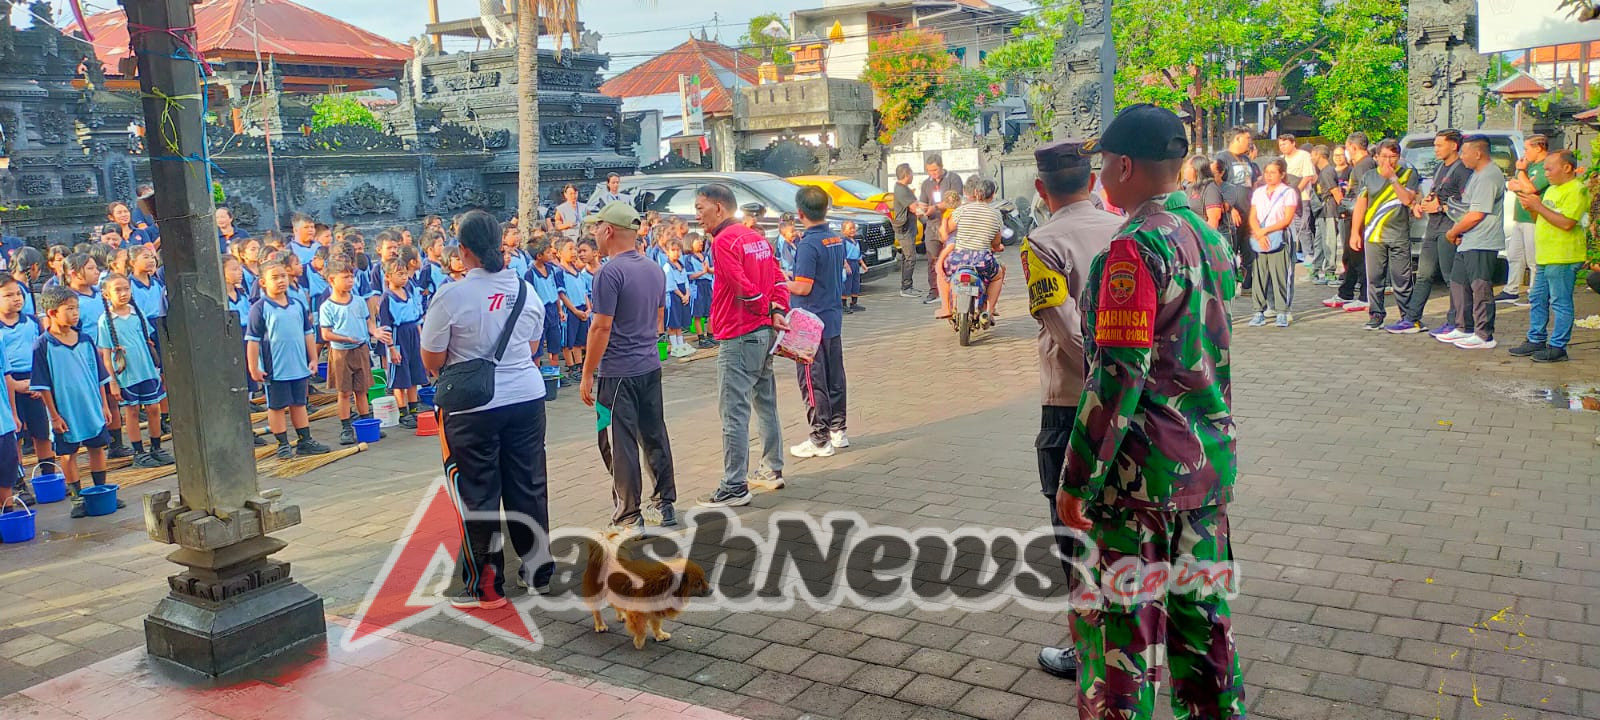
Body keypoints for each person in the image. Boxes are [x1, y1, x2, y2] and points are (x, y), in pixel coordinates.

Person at [1057, 104, 1244, 718]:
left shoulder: (1134, 250)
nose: (1100, 173)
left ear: (1124, 165)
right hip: (1207, 466)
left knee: (1120, 642)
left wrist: (1078, 481)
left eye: (1103, 162)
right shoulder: (1208, 236)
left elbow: (1117, 376)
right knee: (1203, 630)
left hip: (1140, 483)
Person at [1020, 138, 1122, 681]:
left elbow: (1066, 332)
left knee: (1074, 530)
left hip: (1071, 405)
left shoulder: (1042, 242)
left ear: (1041, 188)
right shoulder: (1124, 229)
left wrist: (1107, 377)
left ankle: (1089, 648)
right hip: (1135, 404)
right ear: (1094, 181)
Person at [421, 209, 551, 606]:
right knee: (528, 486)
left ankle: (486, 586)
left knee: (478, 493)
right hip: (526, 398)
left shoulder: (452, 295)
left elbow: (431, 358)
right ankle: (538, 572)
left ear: (463, 251)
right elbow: (531, 348)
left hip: (472, 408)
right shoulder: (526, 290)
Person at [578, 202, 678, 530]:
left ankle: (628, 515)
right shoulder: (652, 268)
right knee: (654, 433)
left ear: (609, 231)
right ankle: (664, 503)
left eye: (596, 227)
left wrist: (588, 372)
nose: (593, 234)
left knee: (616, 442)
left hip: (616, 372)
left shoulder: (609, 273)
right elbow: (660, 318)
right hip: (649, 365)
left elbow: (600, 327)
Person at [697, 183, 790, 508]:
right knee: (765, 402)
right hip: (763, 332)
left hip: (739, 334)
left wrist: (764, 307)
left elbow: (742, 286)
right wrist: (776, 309)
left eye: (701, 208)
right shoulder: (755, 237)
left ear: (719, 208)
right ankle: (771, 468)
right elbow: (778, 277)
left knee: (734, 411)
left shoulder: (723, 242)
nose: (698, 216)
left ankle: (734, 483)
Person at [32, 287, 124, 518]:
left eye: (77, 308)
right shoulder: (43, 345)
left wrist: (103, 405)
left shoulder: (84, 339)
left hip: (90, 405)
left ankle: (101, 490)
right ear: (52, 313)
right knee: (68, 453)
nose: (75, 314)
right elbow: (42, 386)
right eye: (69, 309)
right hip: (65, 409)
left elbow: (100, 376)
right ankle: (77, 498)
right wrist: (54, 415)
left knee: (97, 448)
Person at [786, 185, 850, 459]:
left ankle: (819, 438)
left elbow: (803, 287)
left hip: (809, 322)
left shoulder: (808, 244)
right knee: (835, 376)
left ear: (801, 213)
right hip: (832, 317)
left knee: (812, 380)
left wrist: (781, 281)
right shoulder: (835, 239)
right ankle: (838, 429)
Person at [246, 261, 332, 459]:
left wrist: (313, 359)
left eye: (283, 276)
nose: (281, 281)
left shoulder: (298, 305)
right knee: (276, 406)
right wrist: (253, 367)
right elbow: (252, 341)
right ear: (263, 283)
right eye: (274, 277)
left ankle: (305, 440)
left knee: (299, 404)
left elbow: (308, 333)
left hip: (299, 365)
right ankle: (282, 443)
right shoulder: (260, 308)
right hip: (275, 368)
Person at [1509, 149, 1587, 363]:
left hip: (1563, 256)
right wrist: (1532, 207)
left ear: (1567, 168)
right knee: (1537, 297)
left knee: (1560, 302)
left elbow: (1566, 223)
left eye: (1549, 169)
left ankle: (1558, 346)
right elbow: (1540, 218)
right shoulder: (1552, 189)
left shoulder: (1576, 190)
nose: (1546, 173)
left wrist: (1538, 205)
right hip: (1545, 255)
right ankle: (1536, 338)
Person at [95, 273, 172, 469]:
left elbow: (147, 341)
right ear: (106, 295)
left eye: (126, 289)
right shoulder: (106, 320)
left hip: (146, 370)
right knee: (133, 410)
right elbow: (105, 355)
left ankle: (156, 447)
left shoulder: (137, 313)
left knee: (154, 408)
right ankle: (139, 452)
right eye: (117, 290)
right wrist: (112, 380)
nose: (123, 293)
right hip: (126, 374)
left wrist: (156, 369)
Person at [1440, 135, 1507, 350]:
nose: (1461, 157)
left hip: (1482, 241)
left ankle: (1484, 334)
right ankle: (1463, 327)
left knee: (1481, 288)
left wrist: (1453, 232)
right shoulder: (1477, 174)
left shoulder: (1489, 175)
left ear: (1478, 153)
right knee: (1459, 283)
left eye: (1465, 152)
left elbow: (1477, 213)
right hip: (1469, 240)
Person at [1348, 139, 1420, 332]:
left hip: (1398, 234)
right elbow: (1361, 205)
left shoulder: (1408, 174)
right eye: (1384, 156)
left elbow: (1406, 199)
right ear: (1376, 157)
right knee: (1375, 278)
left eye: (1393, 156)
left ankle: (1408, 316)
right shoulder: (1369, 176)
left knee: (1402, 279)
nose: (1388, 161)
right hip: (1374, 234)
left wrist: (1393, 178)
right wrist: (1355, 232)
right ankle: (1376, 314)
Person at [319, 259, 389, 445]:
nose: (351, 280)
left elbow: (368, 322)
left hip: (361, 349)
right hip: (341, 353)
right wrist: (345, 339)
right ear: (332, 280)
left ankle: (365, 421)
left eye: (352, 277)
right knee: (344, 392)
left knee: (362, 389)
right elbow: (325, 333)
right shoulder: (327, 306)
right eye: (346, 277)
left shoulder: (358, 301)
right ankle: (346, 427)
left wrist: (375, 332)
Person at [1414, 130, 1471, 338]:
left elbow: (1466, 204)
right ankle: (1411, 318)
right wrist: (1426, 203)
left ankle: (1456, 321)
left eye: (1439, 145)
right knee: (1424, 274)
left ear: (1454, 146)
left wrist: (1441, 207)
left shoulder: (1463, 170)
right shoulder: (1439, 167)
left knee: (1451, 277)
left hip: (1449, 227)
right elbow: (1437, 192)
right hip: (1433, 226)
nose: (1435, 149)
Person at [0, 277, 52, 475]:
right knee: (16, 433)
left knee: (41, 432)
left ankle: (49, 473)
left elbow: (42, 353)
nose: (16, 299)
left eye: (18, 294)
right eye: (8, 295)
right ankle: (19, 481)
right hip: (7, 384)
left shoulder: (31, 321)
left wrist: (38, 383)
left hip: (34, 379)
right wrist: (14, 385)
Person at [936, 176, 1007, 320]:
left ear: (975, 192)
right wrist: (998, 247)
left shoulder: (962, 210)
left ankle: (946, 308)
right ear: (992, 195)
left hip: (958, 258)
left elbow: (948, 232)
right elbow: (995, 243)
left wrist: (944, 221)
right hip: (982, 260)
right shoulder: (995, 215)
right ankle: (990, 310)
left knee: (942, 272)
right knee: (997, 276)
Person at [1248, 157, 1299, 327]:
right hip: (1260, 237)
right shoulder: (1259, 192)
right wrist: (1259, 234)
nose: (1268, 176)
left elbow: (1287, 219)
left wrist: (1266, 231)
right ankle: (1258, 311)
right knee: (1260, 275)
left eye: (1273, 172)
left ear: (1282, 174)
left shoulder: (1288, 192)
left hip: (1280, 236)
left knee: (1280, 275)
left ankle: (1282, 311)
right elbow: (1253, 216)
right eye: (1266, 172)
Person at [1502, 134, 1550, 303]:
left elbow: (1530, 188)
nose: (1525, 153)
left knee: (1533, 258)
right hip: (1520, 217)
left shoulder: (1546, 166)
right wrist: (1522, 181)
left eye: (1527, 148)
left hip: (1534, 218)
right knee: (1514, 255)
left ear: (1538, 148)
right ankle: (1511, 289)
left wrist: (1521, 174)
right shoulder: (1528, 165)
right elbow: (1513, 184)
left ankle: (1535, 291)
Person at [379, 260, 426, 429]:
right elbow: (385, 326)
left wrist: (421, 340)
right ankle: (402, 412)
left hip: (413, 333)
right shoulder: (386, 298)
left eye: (405, 273)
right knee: (400, 376)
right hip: (398, 336)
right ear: (388, 276)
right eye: (399, 274)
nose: (404, 277)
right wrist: (391, 348)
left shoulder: (409, 291)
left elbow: (417, 317)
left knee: (414, 373)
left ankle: (414, 409)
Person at [915, 154, 964, 304]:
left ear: (941, 167)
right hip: (932, 224)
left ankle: (953, 289)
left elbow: (954, 200)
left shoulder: (953, 179)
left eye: (935, 170)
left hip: (950, 224)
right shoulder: (926, 184)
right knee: (932, 258)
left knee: (951, 257)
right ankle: (934, 290)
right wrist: (921, 209)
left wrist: (935, 207)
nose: (933, 173)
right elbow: (923, 202)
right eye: (929, 171)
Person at [524, 239, 565, 371]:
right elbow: (530, 297)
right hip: (539, 311)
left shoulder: (551, 270)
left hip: (552, 308)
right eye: (548, 252)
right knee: (539, 341)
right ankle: (536, 369)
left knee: (554, 340)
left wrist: (559, 309)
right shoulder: (530, 273)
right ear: (539, 256)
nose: (551, 254)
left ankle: (555, 370)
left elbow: (555, 291)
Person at [556, 239, 591, 379]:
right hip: (570, 310)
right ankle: (571, 367)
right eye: (570, 249)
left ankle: (579, 365)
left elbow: (584, 292)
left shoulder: (578, 272)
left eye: (575, 249)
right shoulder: (560, 272)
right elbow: (562, 294)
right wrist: (575, 311)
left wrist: (588, 308)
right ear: (559, 253)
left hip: (582, 309)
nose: (574, 252)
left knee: (579, 341)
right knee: (568, 341)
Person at [1279, 135, 1317, 262]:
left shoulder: (1303, 156)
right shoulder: (1281, 160)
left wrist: (1295, 192)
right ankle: (1293, 254)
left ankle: (1309, 255)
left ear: (1293, 143)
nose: (1282, 147)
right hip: (1286, 200)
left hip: (1303, 197)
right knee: (1289, 227)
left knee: (1303, 226)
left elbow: (1308, 176)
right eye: (1280, 145)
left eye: (1285, 144)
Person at [1309, 145, 1343, 285]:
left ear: (1318, 155)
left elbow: (1336, 193)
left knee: (1329, 242)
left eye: (1312, 154)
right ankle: (1315, 270)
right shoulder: (1323, 172)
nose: (1311, 157)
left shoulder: (1328, 172)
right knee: (1319, 242)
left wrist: (1342, 208)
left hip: (1329, 211)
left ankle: (1330, 272)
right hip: (1322, 212)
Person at [890, 163, 921, 298]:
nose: (912, 176)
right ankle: (906, 287)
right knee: (910, 257)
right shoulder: (901, 189)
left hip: (909, 226)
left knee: (906, 257)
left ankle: (908, 285)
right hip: (904, 228)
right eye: (911, 173)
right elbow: (914, 207)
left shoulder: (904, 188)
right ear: (907, 175)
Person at [661, 238, 693, 357]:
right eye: (673, 250)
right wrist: (681, 295)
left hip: (683, 293)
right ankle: (674, 346)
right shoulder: (667, 267)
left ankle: (681, 344)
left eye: (678, 250)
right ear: (667, 252)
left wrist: (687, 294)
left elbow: (685, 280)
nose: (676, 252)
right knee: (673, 322)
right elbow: (671, 285)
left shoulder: (681, 265)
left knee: (680, 321)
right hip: (673, 296)